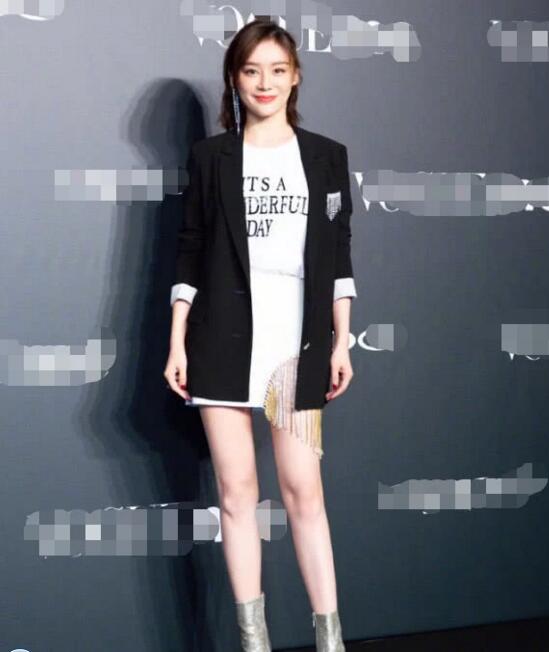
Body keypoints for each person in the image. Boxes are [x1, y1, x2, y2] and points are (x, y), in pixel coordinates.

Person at [164, 18, 357, 652]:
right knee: (237, 493)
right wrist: (177, 340)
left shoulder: (326, 156)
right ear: (235, 78)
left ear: (295, 76)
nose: (264, 83)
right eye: (251, 71)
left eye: (277, 70)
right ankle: (255, 644)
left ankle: (330, 642)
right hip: (220, 338)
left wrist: (341, 339)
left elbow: (339, 254)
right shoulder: (211, 158)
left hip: (296, 344)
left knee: (304, 492)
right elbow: (190, 250)